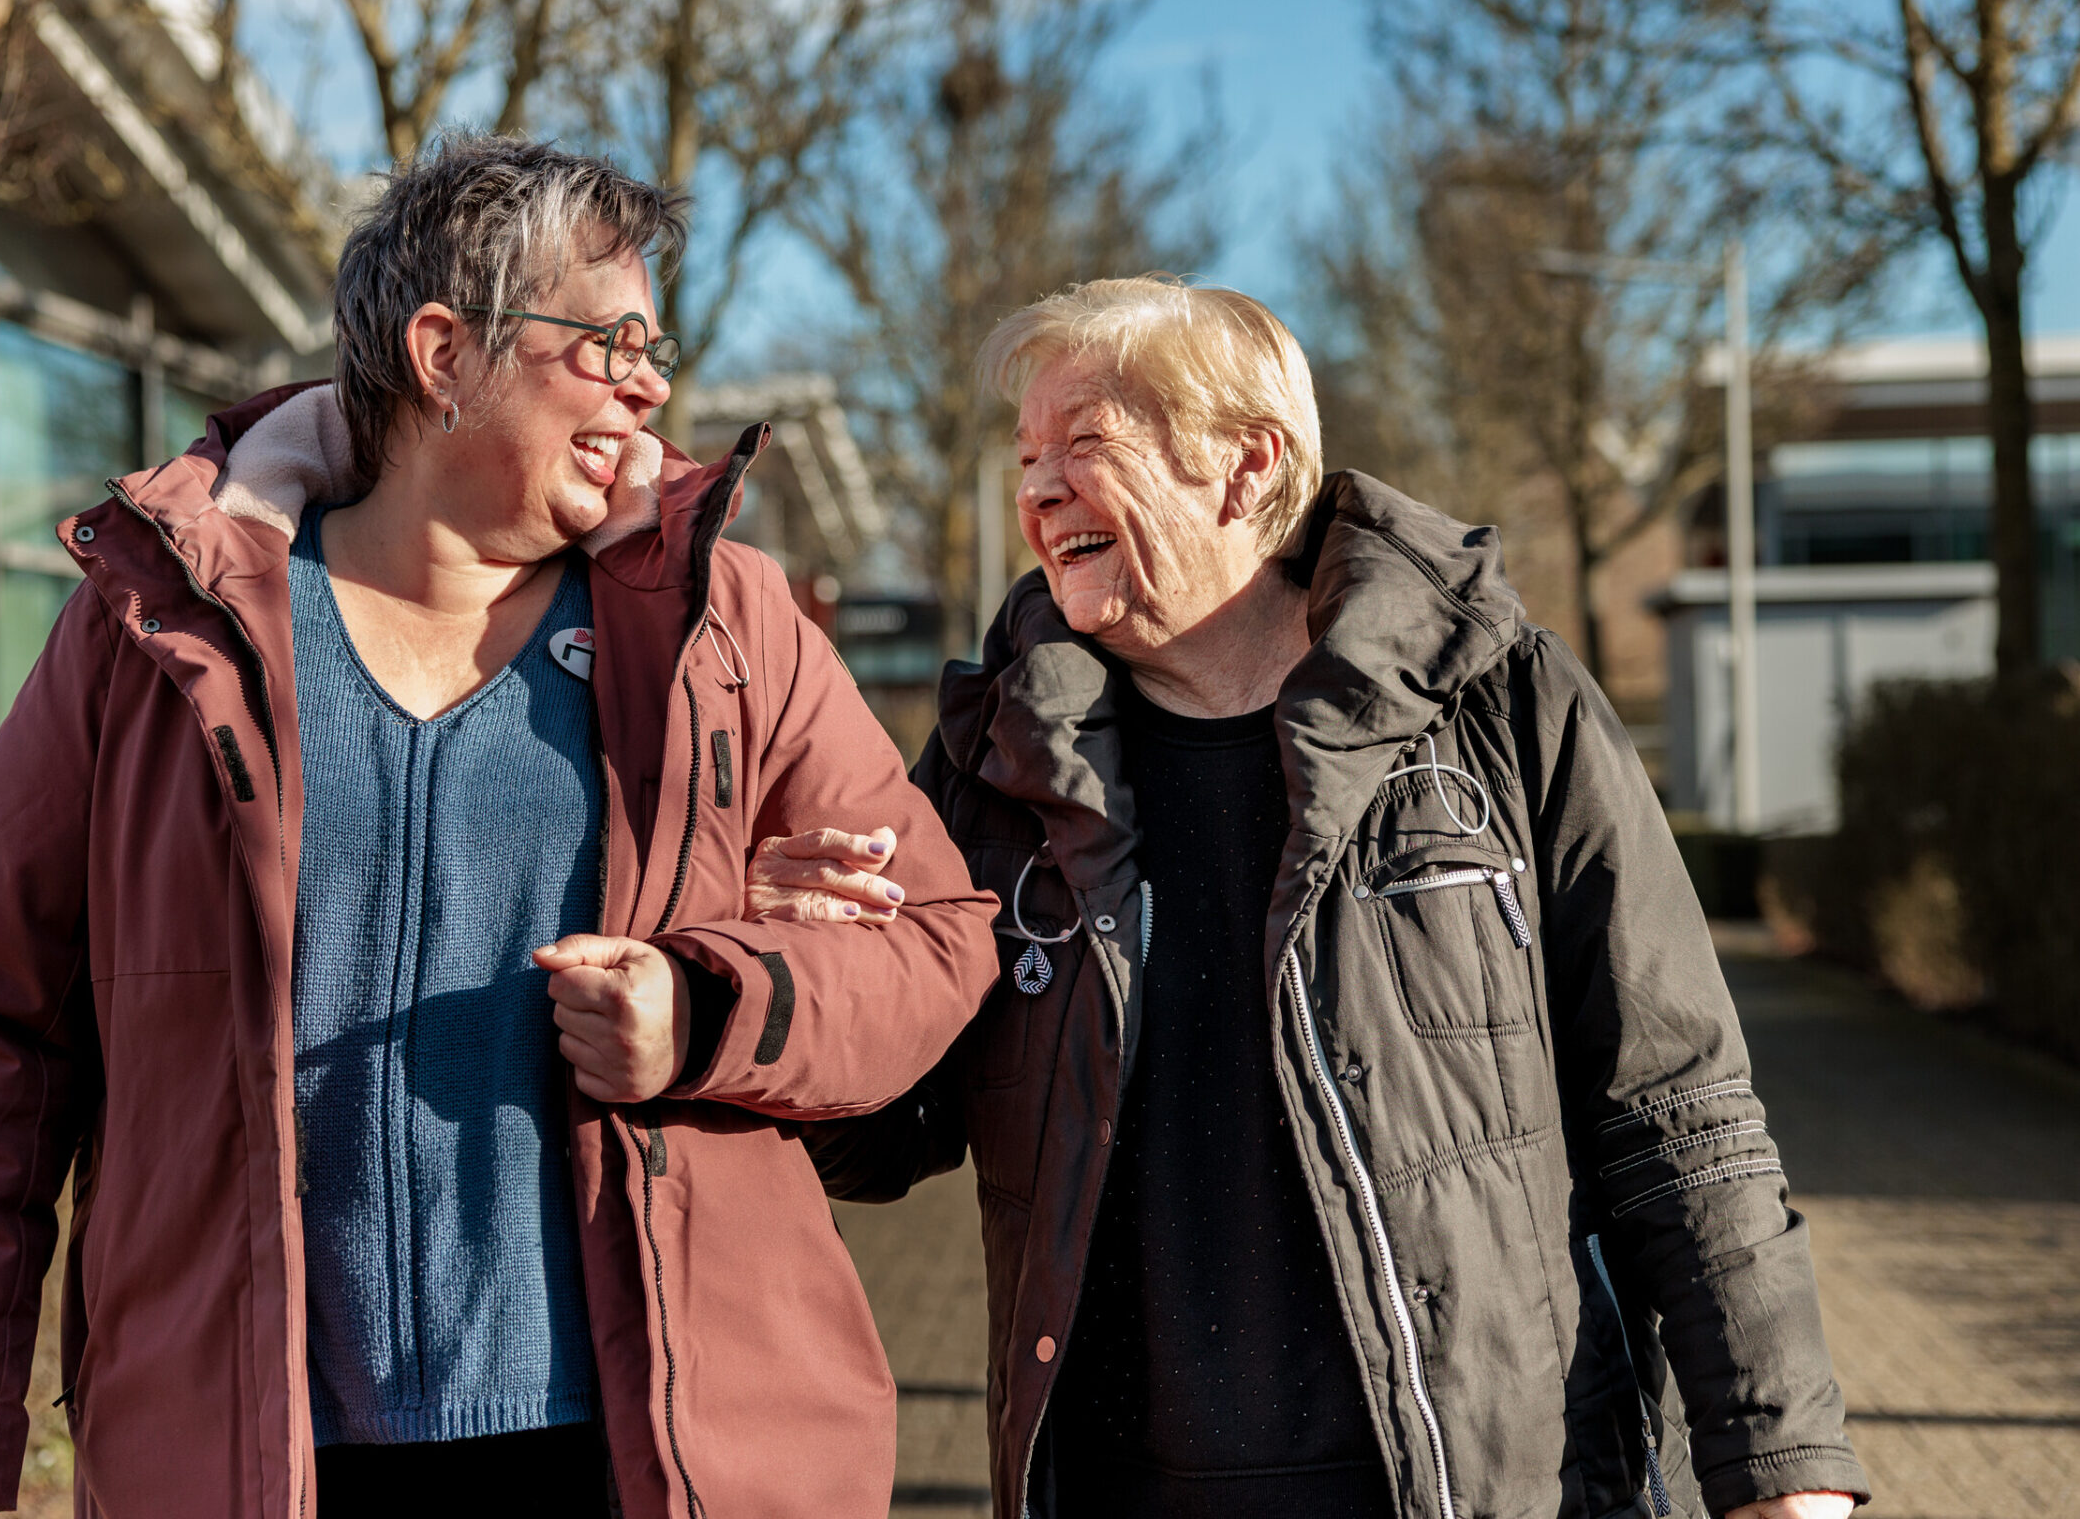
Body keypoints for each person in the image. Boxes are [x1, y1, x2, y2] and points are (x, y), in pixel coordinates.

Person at [0, 134, 997, 1519]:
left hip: (656, 1457)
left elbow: (939, 943)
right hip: (248, 1462)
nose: (652, 382)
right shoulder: (153, 635)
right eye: (608, 338)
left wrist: (707, 1005)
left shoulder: (722, 624)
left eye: (658, 342)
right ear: (444, 354)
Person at [766, 277, 1871, 1519]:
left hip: (1485, 1486)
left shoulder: (1501, 706)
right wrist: (805, 978)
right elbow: (883, 1132)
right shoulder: (989, 772)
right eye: (1025, 456)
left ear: (1246, 467)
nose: (1034, 491)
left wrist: (1780, 1469)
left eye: (1083, 447)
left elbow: (1678, 1110)